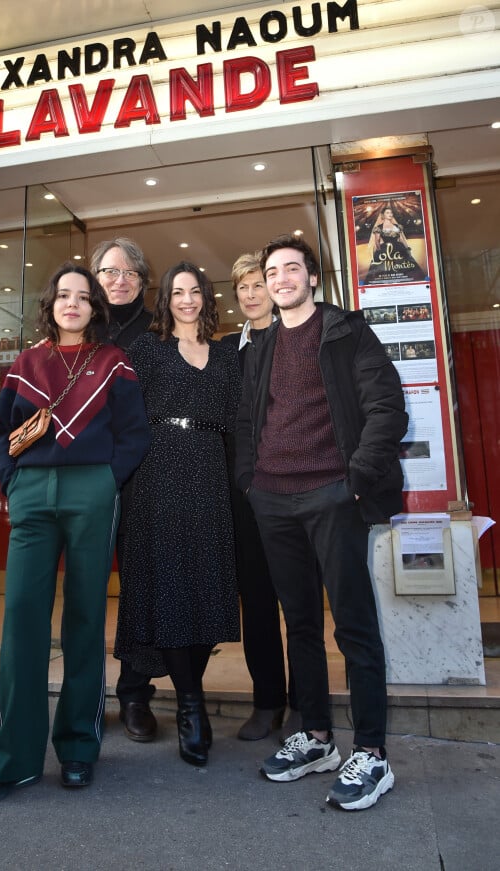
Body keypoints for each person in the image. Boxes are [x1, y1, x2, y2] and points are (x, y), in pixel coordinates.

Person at [0, 263, 150, 804]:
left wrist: (105, 480)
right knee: (22, 617)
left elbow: (133, 434)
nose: (72, 303)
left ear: (96, 308)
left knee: (87, 617)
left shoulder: (114, 362)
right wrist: (13, 480)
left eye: (83, 297)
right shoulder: (25, 364)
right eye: (63, 295)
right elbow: (1, 432)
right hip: (32, 492)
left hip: (91, 492)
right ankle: (12, 759)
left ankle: (77, 747)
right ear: (51, 304)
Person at [235, 234, 408, 811]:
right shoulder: (259, 347)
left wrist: (354, 480)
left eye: (291, 268)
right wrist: (251, 482)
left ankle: (373, 753)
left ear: (313, 277)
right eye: (271, 271)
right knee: (299, 623)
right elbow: (247, 420)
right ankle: (315, 737)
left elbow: (387, 408)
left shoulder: (345, 333)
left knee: (353, 623)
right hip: (273, 500)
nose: (280, 278)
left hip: (334, 495)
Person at [114, 261, 241, 767]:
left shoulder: (228, 354)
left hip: (212, 473)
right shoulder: (146, 349)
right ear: (164, 300)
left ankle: (192, 693)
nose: (186, 299)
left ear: (207, 298)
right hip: (157, 473)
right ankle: (192, 707)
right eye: (177, 292)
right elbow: (123, 418)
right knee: (167, 588)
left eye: (195, 291)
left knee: (209, 589)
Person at [222, 252, 299, 742]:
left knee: (300, 602)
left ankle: (307, 706)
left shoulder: (296, 337)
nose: (251, 294)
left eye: (258, 284)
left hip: (296, 492)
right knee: (257, 601)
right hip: (246, 496)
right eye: (243, 288)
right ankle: (267, 701)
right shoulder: (229, 350)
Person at [90, 237, 158, 743]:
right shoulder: (77, 326)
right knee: (86, 587)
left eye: (129, 272)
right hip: (83, 475)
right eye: (109, 272)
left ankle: (135, 693)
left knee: (139, 584)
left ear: (142, 280)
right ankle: (85, 697)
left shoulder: (159, 330)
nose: (119, 280)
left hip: (145, 474)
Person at [365, 206, 426, 284]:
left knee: (405, 268)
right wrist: (380, 252)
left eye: (391, 212)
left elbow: (401, 239)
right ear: (383, 215)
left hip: (399, 248)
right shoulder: (379, 228)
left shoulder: (397, 226)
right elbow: (377, 241)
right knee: (385, 269)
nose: (390, 214)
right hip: (386, 249)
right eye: (387, 213)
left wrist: (407, 248)